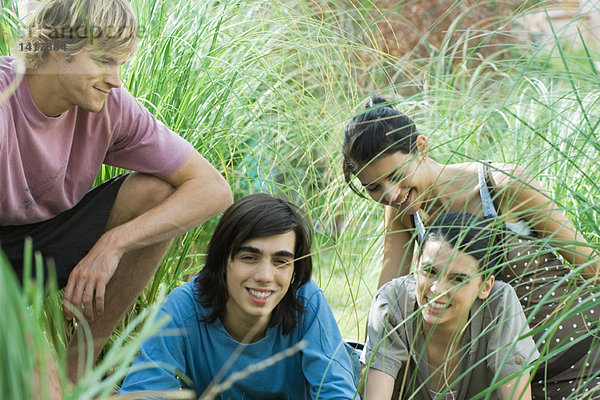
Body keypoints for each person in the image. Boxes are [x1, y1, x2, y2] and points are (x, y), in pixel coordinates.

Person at [0, 0, 232, 382]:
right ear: (59, 48)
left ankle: (80, 372)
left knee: (157, 192)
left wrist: (114, 244)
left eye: (120, 63)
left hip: (40, 242)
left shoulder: (110, 107)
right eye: (105, 60)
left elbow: (213, 190)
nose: (116, 79)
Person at [343, 97, 600, 397]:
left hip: (582, 361)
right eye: (373, 187)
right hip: (499, 382)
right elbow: (387, 310)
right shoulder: (404, 212)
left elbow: (591, 267)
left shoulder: (503, 185)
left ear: (421, 147)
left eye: (397, 176)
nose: (391, 194)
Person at [119, 193, 359, 399]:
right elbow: (144, 392)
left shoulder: (306, 301)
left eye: (281, 262)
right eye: (249, 257)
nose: (265, 276)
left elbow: (337, 392)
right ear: (223, 261)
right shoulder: (183, 308)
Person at [361, 212, 539, 400]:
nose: (437, 289)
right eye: (430, 271)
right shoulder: (393, 301)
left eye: (458, 279)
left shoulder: (499, 304)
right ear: (416, 265)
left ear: (485, 286)